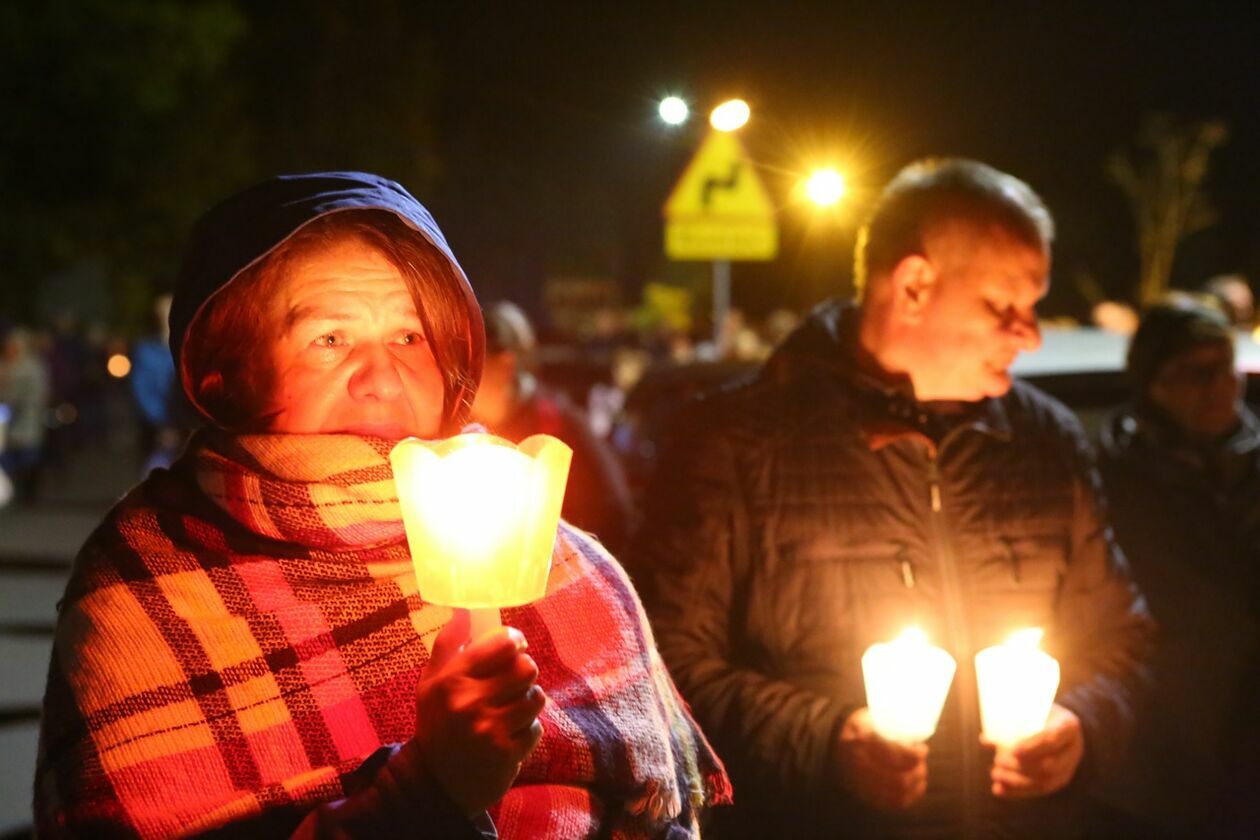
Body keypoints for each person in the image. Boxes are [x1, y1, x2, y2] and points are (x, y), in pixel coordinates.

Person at [35, 172, 728, 839]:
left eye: (408, 337)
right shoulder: (148, 583)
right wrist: (430, 792)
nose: (381, 379)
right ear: (235, 372)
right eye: (329, 340)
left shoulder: (556, 555)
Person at [631, 158, 1154, 838]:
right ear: (913, 286)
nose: (1030, 335)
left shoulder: (1045, 440)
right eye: (1005, 306)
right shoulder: (739, 442)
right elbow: (660, 666)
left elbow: (1123, 638)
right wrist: (824, 741)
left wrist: (1083, 725)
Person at [1096, 294, 1260, 835]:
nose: (1222, 387)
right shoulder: (1114, 481)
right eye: (1198, 373)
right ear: (1155, 385)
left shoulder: (1251, 466)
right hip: (1160, 750)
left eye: (1227, 367)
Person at [469, 301, 636, 553]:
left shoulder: (558, 425)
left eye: (469, 364)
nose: (456, 375)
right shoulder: (452, 432)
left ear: (504, 364)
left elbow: (613, 514)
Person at [0, 327, 51, 504]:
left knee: (29, 455)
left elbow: (39, 392)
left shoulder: (32, 367)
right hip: (5, 418)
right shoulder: (4, 365)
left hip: (27, 417)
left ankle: (29, 492)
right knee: (7, 454)